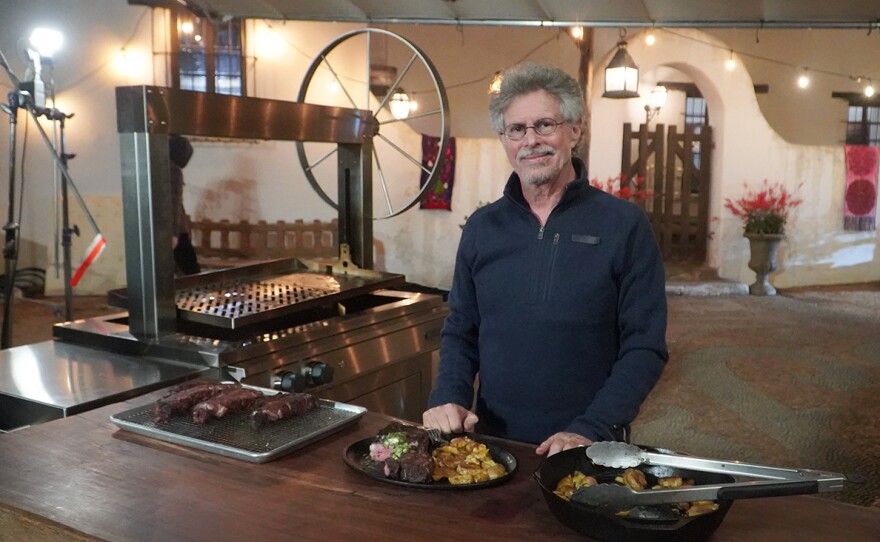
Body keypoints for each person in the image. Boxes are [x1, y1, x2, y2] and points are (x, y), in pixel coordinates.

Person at [422, 62, 668, 457]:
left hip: (587, 442)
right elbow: (461, 329)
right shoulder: (482, 228)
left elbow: (645, 347)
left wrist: (592, 428)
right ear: (504, 139)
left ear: (575, 130)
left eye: (545, 125)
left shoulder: (625, 225)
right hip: (493, 443)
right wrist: (449, 396)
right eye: (516, 129)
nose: (530, 140)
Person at [169, 135, 201, 275]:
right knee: (191, 271)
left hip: (164, 228)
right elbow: (174, 202)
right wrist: (174, 233)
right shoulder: (174, 170)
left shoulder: (157, 166)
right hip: (177, 230)